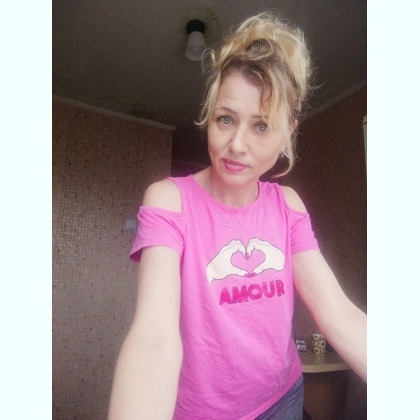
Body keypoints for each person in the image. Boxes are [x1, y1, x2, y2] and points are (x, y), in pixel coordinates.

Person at [108, 11, 367, 420]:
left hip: (283, 400)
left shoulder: (287, 206)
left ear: (288, 133)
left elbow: (339, 314)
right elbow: (154, 338)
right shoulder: (170, 201)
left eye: (261, 126)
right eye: (225, 119)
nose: (237, 145)